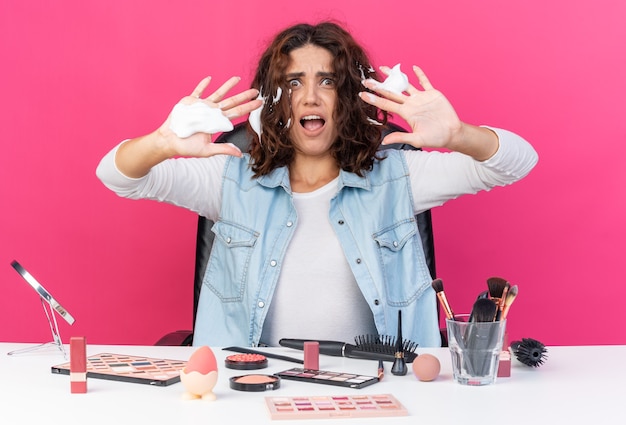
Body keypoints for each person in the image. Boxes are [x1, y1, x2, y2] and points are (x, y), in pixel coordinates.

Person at [96, 21, 538, 348]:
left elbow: (515, 163)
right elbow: (117, 176)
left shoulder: (398, 175)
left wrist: (459, 135)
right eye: (293, 82)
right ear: (275, 101)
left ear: (348, 97)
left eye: (327, 81)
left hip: (379, 390)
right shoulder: (231, 177)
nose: (310, 97)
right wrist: (161, 142)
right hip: (251, 389)